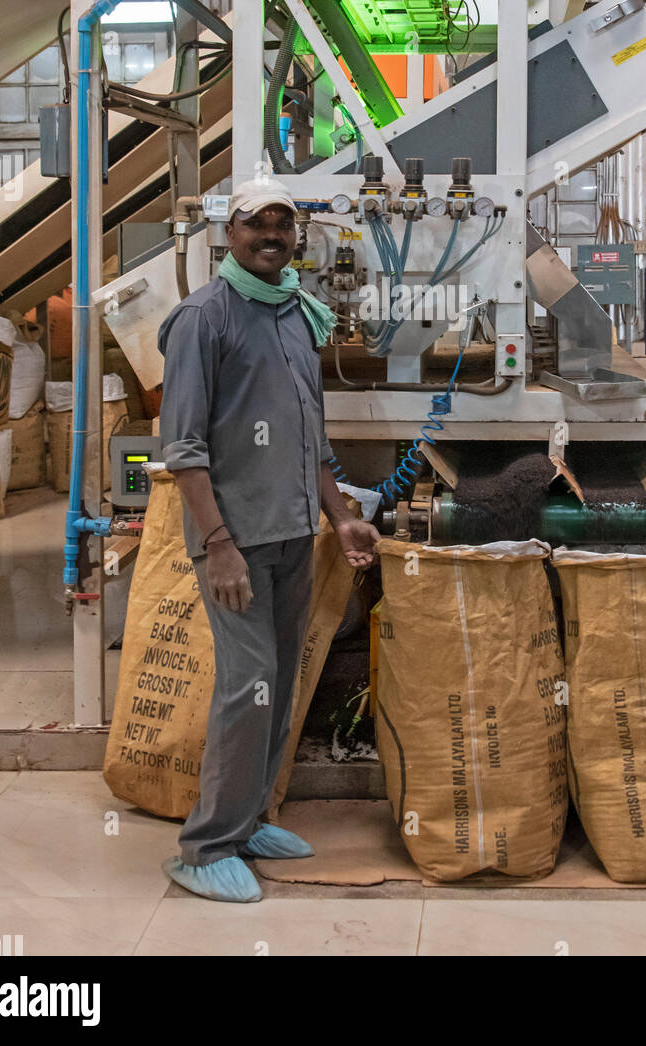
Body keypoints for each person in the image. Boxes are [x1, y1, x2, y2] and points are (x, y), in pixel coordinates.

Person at [157, 174, 379, 903]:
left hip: (291, 529)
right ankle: (204, 846)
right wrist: (217, 541)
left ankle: (249, 820)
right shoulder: (203, 318)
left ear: (297, 236)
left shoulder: (292, 311)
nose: (271, 236)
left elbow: (308, 435)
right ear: (230, 233)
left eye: (283, 225)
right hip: (236, 541)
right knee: (246, 689)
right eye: (257, 225)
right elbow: (183, 449)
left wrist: (339, 513)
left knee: (278, 684)